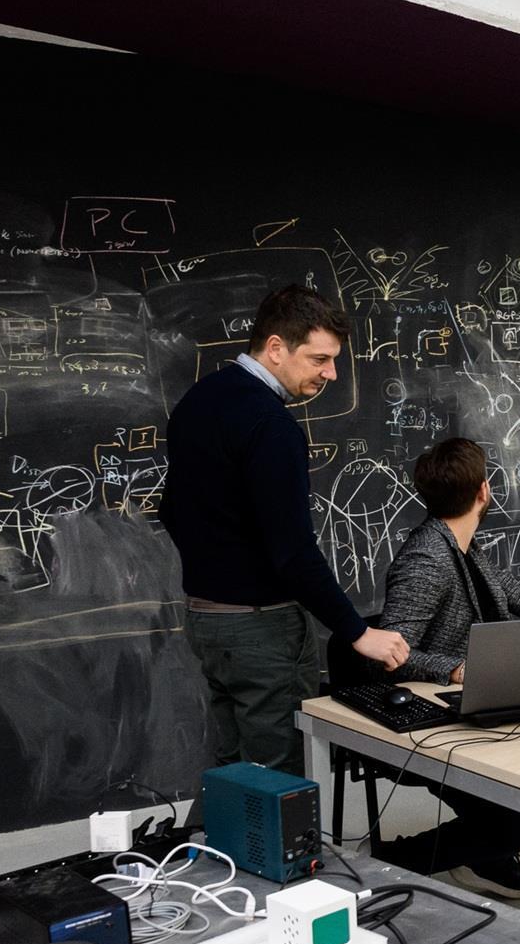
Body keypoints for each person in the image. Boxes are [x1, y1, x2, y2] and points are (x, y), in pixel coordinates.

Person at [161, 286, 408, 777]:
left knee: (234, 771)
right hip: (262, 629)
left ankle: (221, 832)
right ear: (276, 348)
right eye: (319, 359)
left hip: (206, 620)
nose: (330, 373)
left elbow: (171, 509)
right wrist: (358, 632)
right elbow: (293, 552)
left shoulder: (198, 401)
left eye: (333, 360)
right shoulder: (271, 426)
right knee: (277, 778)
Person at [375, 437, 520, 897]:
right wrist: (455, 669)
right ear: (483, 491)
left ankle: (482, 857)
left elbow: (517, 593)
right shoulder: (426, 559)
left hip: (478, 705)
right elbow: (392, 652)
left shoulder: (462, 546)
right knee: (511, 824)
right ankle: (386, 865)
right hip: (433, 721)